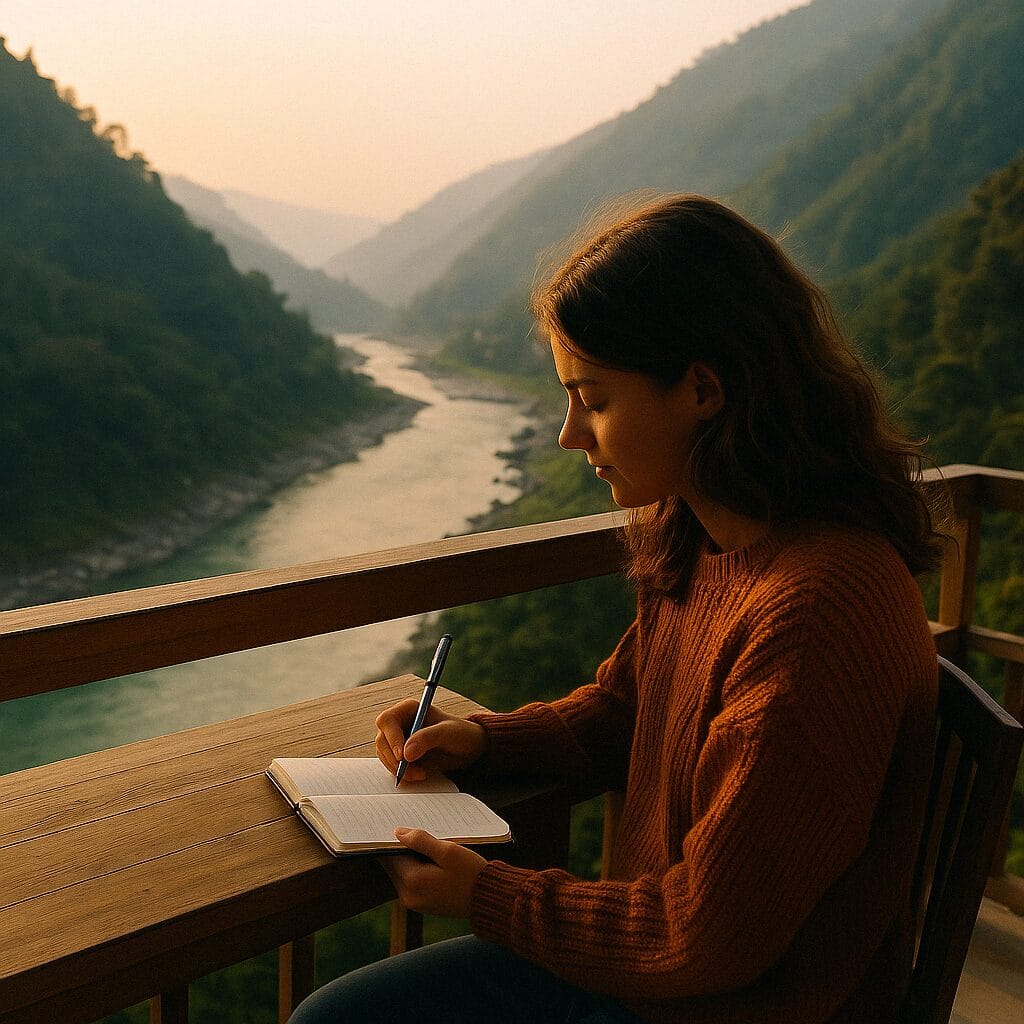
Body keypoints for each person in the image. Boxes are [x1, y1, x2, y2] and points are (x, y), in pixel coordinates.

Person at [288, 194, 943, 1024]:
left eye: (592, 399)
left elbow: (711, 933)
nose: (569, 434)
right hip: (657, 976)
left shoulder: (816, 610)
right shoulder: (709, 539)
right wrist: (491, 739)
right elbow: (631, 708)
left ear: (703, 387)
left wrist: (490, 895)